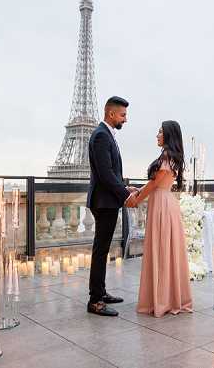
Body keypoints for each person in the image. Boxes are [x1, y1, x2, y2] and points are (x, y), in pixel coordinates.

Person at [134, 120, 193, 317]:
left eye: (159, 132)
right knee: (165, 250)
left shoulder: (166, 158)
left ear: (168, 135)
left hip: (161, 205)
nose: (157, 135)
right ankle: (167, 296)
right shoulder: (169, 157)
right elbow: (154, 184)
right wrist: (137, 191)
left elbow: (153, 186)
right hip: (165, 202)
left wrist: (135, 199)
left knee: (160, 249)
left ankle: (162, 299)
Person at [86, 96, 138, 317]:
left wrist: (127, 186)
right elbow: (106, 174)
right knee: (100, 251)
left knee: (103, 249)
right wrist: (125, 194)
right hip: (104, 202)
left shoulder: (106, 135)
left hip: (107, 201)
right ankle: (95, 300)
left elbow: (112, 172)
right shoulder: (101, 136)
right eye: (123, 115)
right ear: (111, 114)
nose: (126, 119)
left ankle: (101, 292)